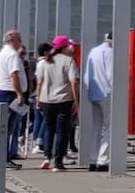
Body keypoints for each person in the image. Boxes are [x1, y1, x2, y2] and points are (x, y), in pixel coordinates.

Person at [35, 36, 79, 172]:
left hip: (46, 100)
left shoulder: (44, 62)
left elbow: (39, 82)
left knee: (49, 128)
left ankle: (47, 156)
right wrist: (76, 100)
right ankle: (58, 162)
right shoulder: (68, 61)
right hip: (64, 99)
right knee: (62, 131)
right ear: (65, 47)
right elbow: (74, 81)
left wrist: (38, 98)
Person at [0, 30, 27, 167]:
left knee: (5, 128)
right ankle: (4, 158)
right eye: (20, 39)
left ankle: (4, 156)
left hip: (3, 93)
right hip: (10, 94)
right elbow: (14, 75)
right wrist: (19, 93)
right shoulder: (12, 55)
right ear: (12, 40)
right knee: (7, 128)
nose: (21, 42)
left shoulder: (2, 54)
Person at [83, 34, 113, 171]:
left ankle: (92, 159)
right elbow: (111, 75)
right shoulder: (110, 52)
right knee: (109, 128)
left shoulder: (94, 51)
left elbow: (86, 75)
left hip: (93, 93)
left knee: (96, 128)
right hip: (106, 93)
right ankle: (103, 160)